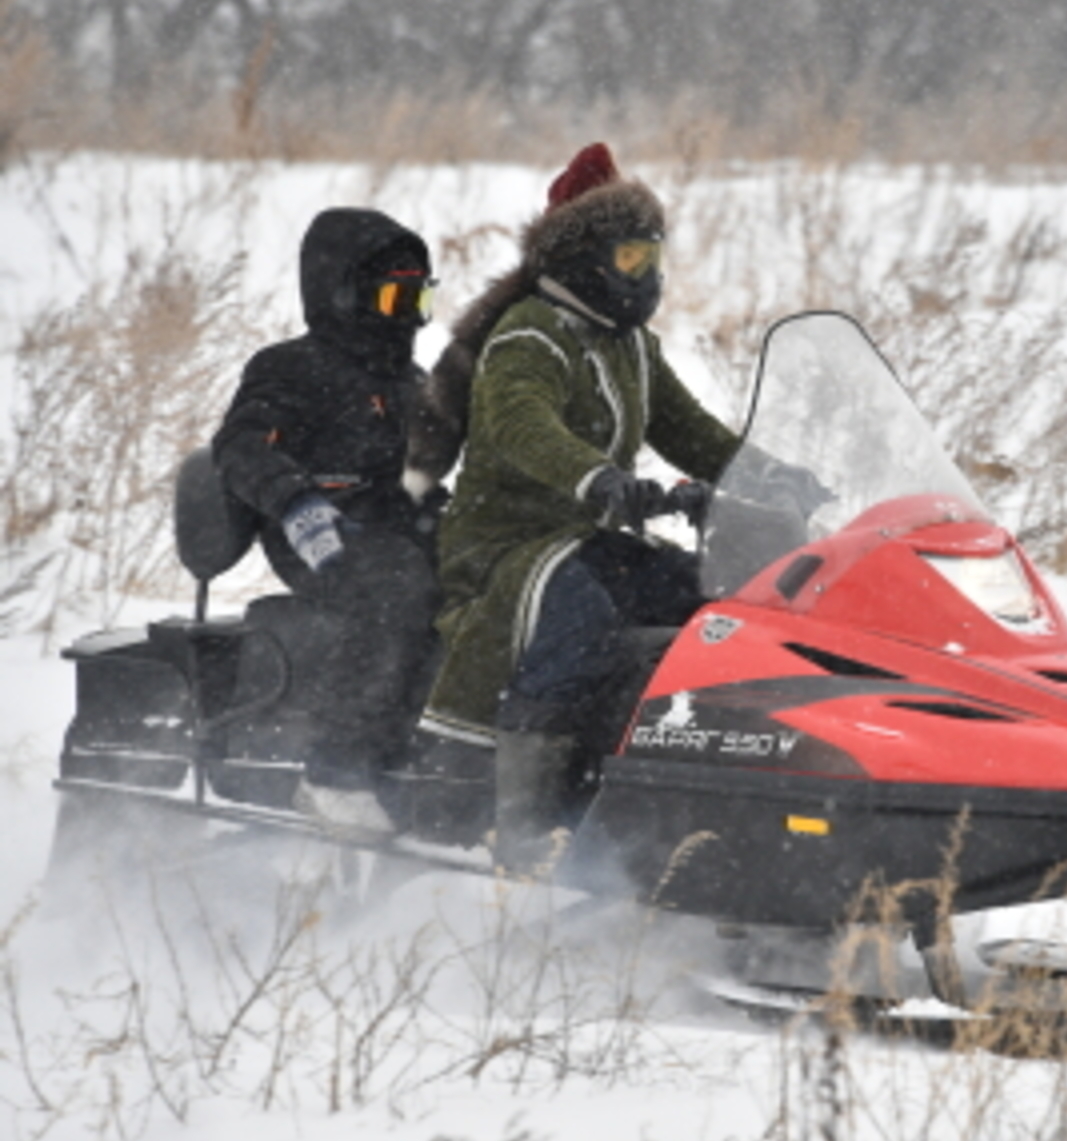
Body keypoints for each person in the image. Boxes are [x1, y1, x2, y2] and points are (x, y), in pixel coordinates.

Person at [408, 143, 741, 870]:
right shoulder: (529, 335)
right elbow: (523, 426)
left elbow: (689, 430)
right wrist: (599, 479)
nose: (648, 275)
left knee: (704, 597)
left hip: (579, 537)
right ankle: (526, 829)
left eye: (654, 257)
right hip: (504, 545)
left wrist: (767, 475)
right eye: (631, 258)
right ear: (583, 257)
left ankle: (672, 795)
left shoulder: (632, 345)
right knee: (579, 616)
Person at [213, 207, 444, 835]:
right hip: (316, 531)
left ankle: (444, 760)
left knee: (490, 581)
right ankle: (334, 773)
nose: (407, 317)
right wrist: (296, 501)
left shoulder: (412, 380)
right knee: (394, 589)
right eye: (395, 298)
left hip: (398, 527)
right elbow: (240, 446)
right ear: (345, 293)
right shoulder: (290, 367)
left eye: (419, 299)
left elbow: (422, 473)